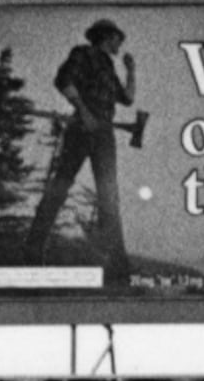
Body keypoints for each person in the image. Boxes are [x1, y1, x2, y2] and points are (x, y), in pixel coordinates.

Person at [22, 18, 135, 282]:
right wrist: (84, 112)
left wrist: (131, 70)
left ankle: (116, 263)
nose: (121, 43)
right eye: (119, 38)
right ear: (107, 37)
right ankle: (33, 249)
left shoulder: (108, 65)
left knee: (109, 196)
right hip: (82, 130)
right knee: (60, 187)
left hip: (104, 134)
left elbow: (127, 99)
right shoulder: (83, 53)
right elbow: (63, 81)